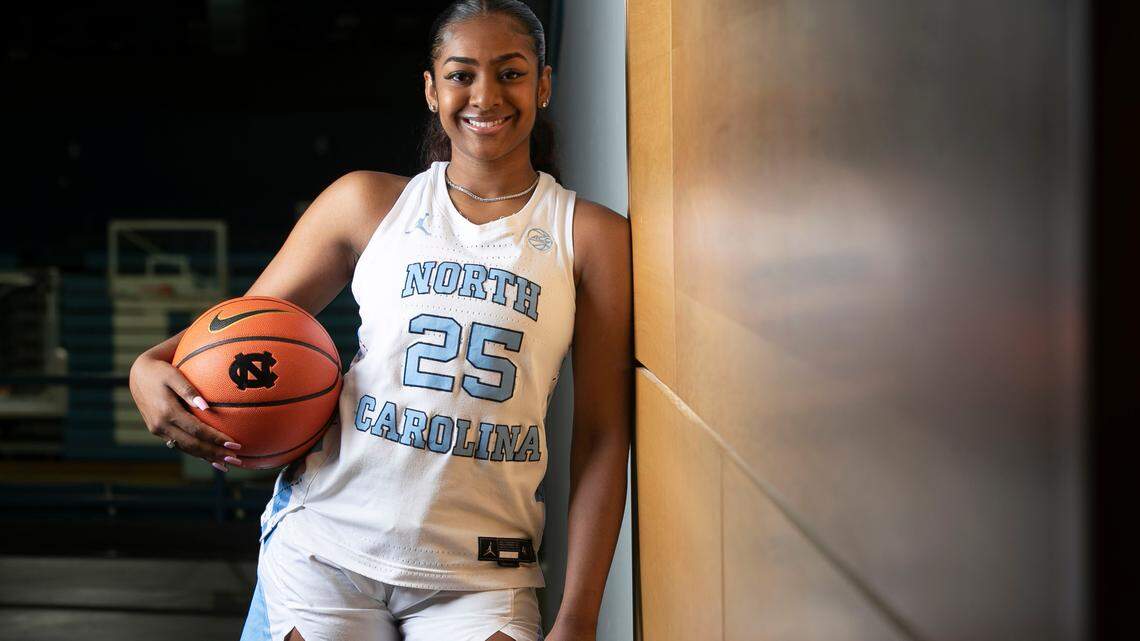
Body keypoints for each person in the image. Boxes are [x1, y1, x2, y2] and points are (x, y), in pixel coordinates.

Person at [128, 1, 632, 640]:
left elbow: (602, 437)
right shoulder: (366, 202)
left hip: (481, 570)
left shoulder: (589, 237)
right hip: (328, 545)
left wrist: (579, 617)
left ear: (543, 85)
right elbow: (240, 329)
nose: (485, 94)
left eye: (510, 73)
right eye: (460, 74)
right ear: (430, 89)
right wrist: (149, 364)